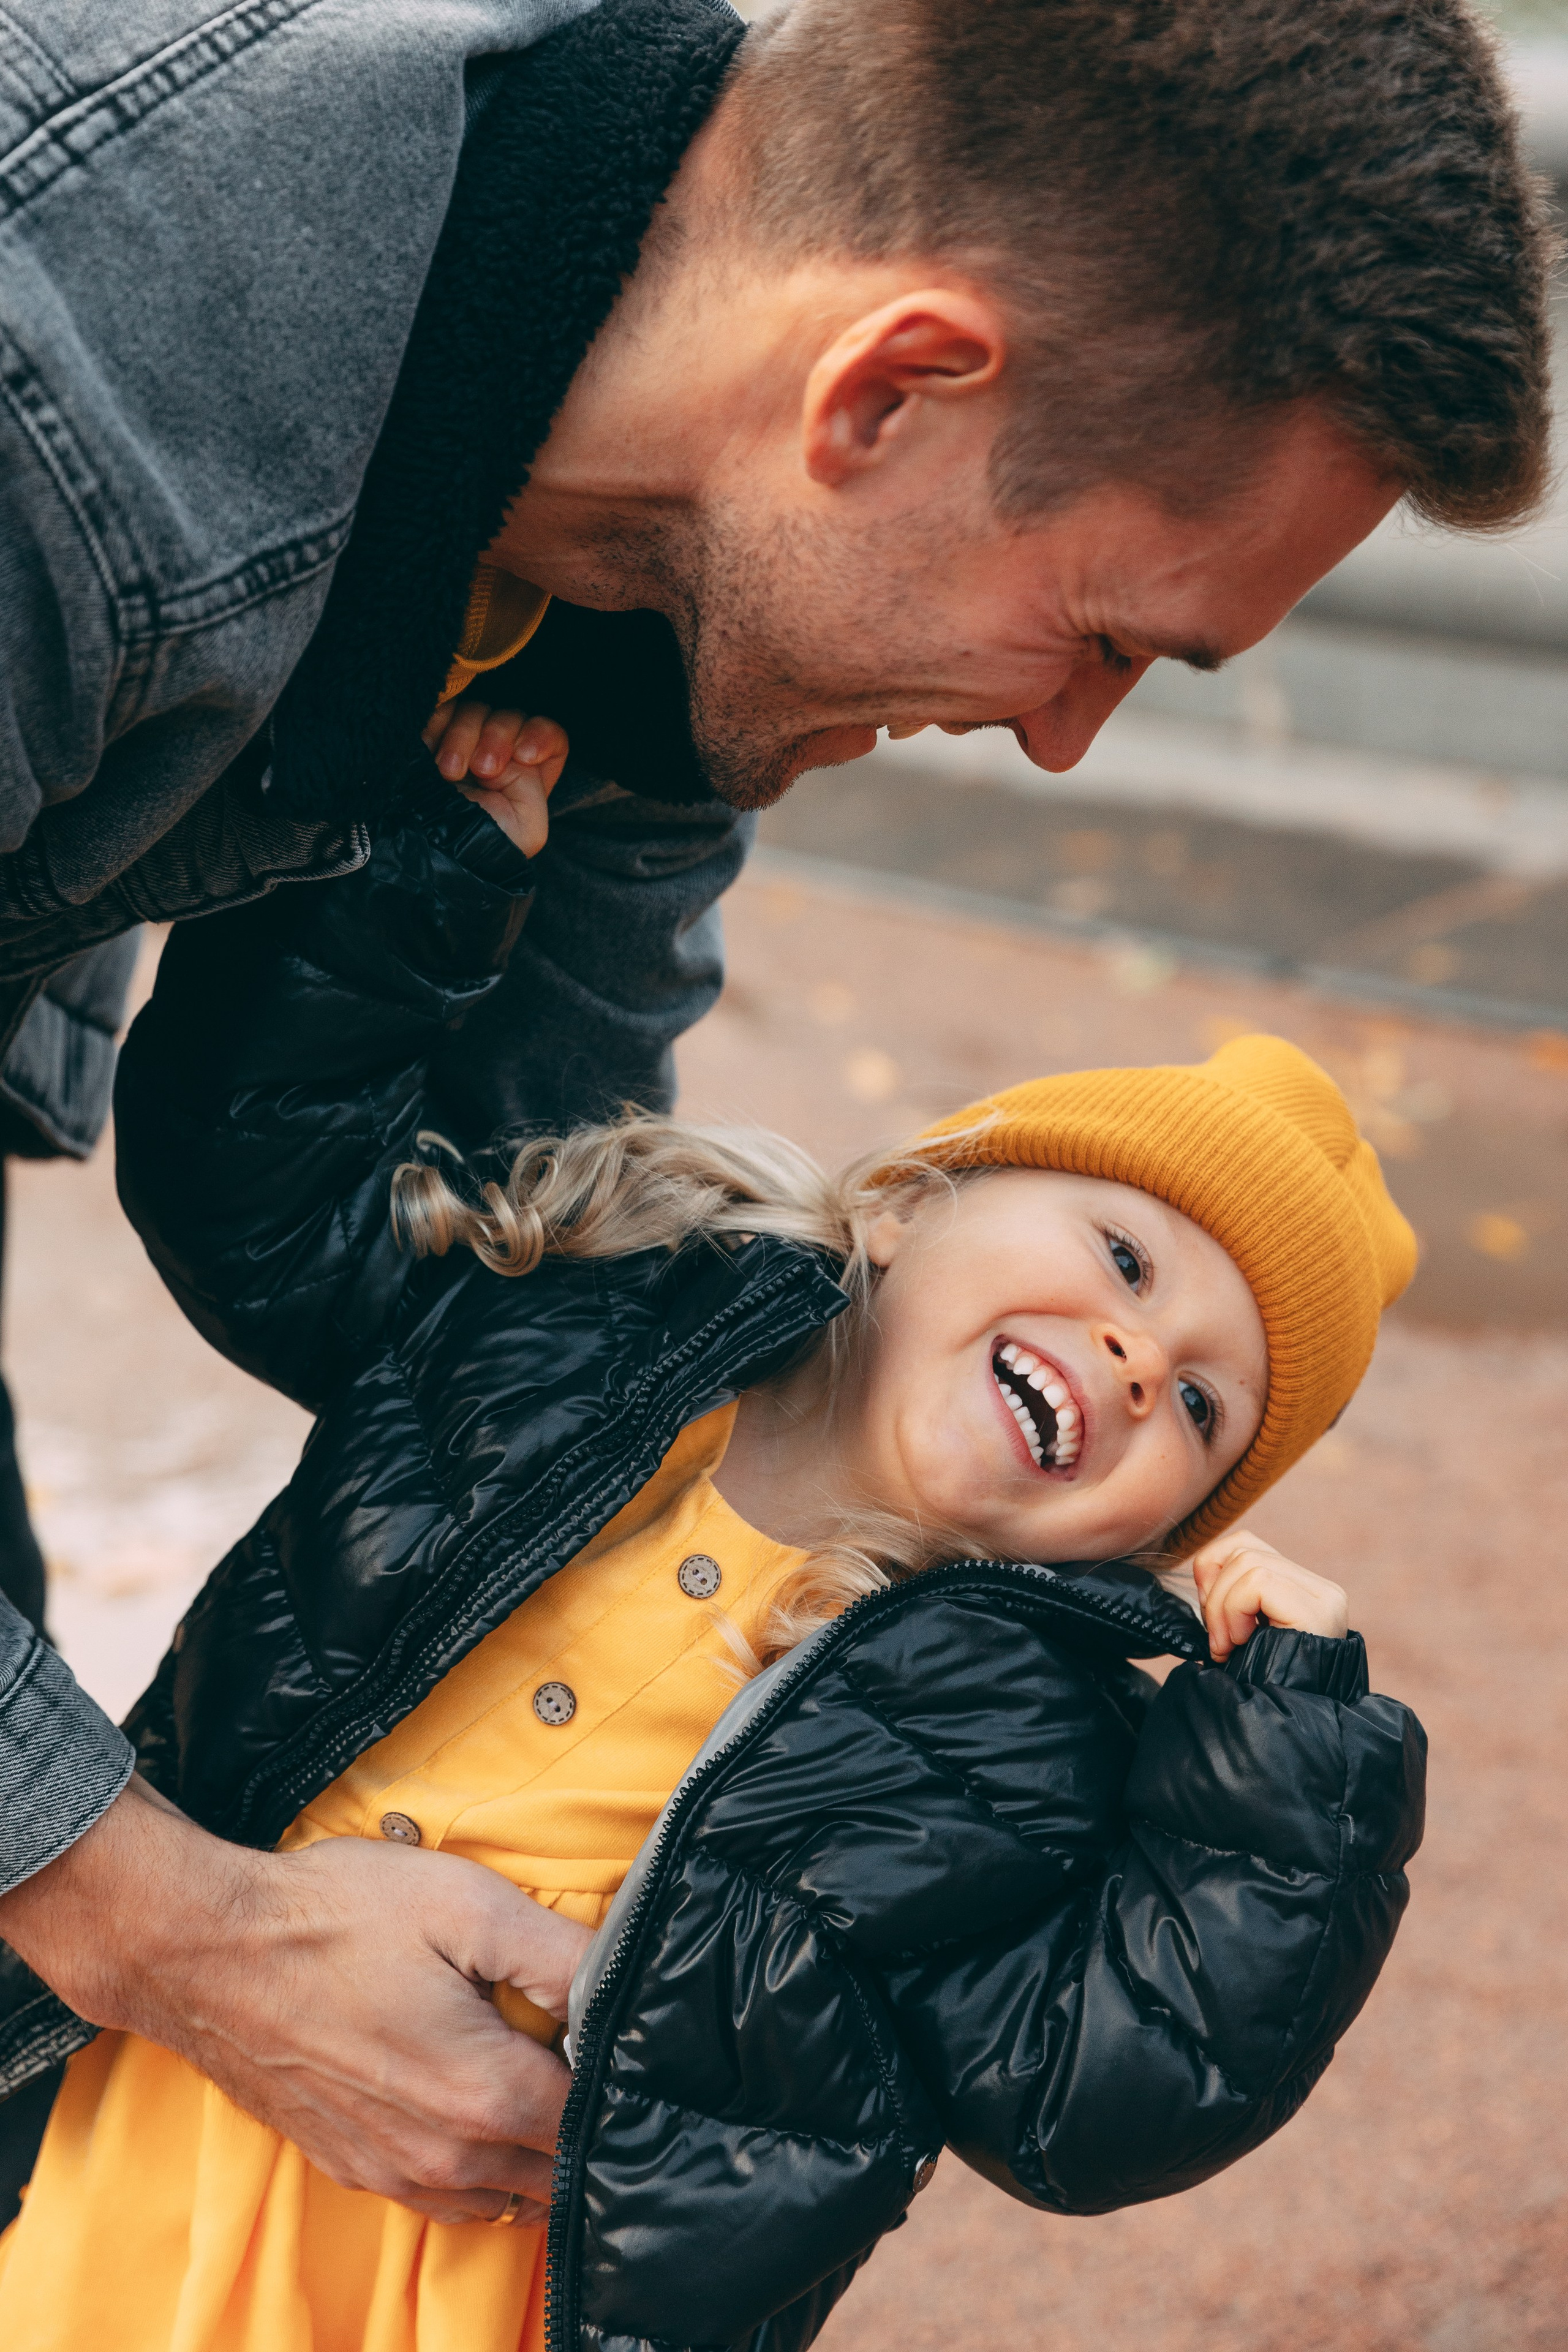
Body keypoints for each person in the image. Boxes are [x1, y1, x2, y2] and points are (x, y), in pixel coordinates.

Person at [0, 0, 1539, 2228]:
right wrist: (179, 1927)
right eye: (1105, 635)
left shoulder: (658, 605)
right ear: (886, 394)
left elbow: (496, 1246)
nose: (1069, 746)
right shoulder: (65, 383)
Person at [0, 776, 1424, 2349]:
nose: (1139, 1359)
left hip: (489, 2286)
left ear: (1157, 1535)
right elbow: (258, 1193)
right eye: (1125, 1256)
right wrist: (421, 889)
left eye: (1205, 1406)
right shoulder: (586, 1309)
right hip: (157, 2119)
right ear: (906, 1205)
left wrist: (1284, 1770)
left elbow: (1094, 2092)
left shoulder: (1010, 1732)